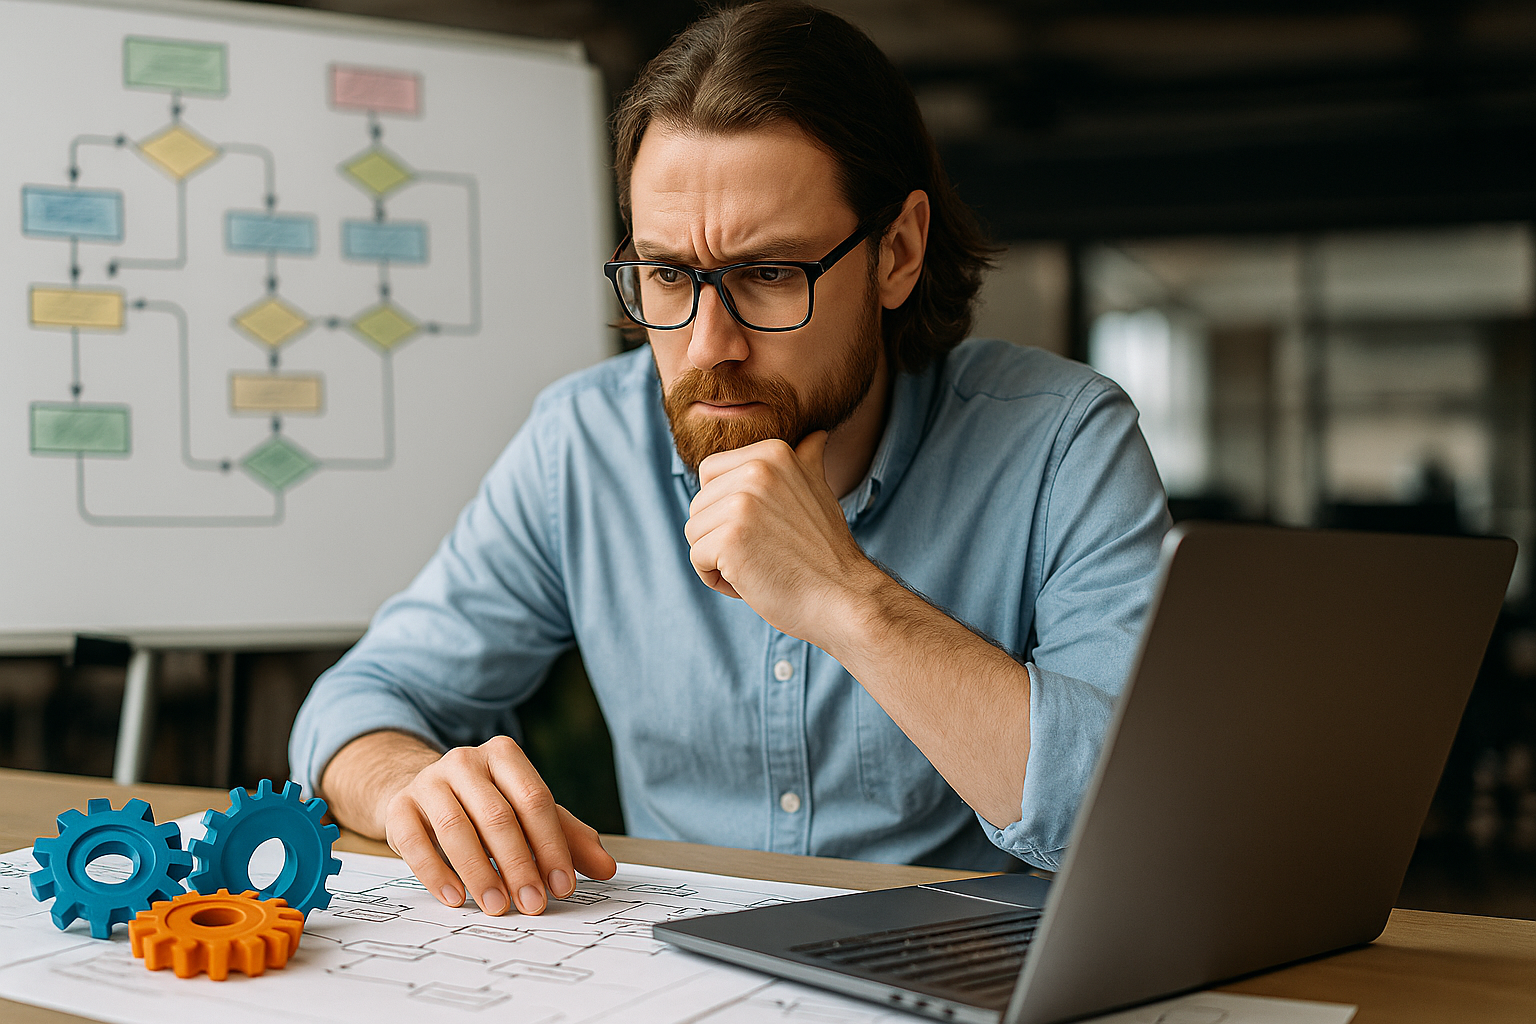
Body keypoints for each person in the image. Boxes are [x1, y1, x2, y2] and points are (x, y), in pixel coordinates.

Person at [290, 0, 1169, 920]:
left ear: (898, 253)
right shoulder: (583, 444)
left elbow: (1141, 817)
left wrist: (846, 597)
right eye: (669, 275)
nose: (710, 346)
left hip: (952, 966)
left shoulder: (1062, 442)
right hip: (669, 969)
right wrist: (409, 785)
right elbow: (359, 702)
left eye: (770, 273)